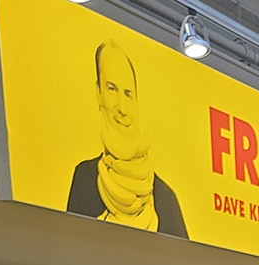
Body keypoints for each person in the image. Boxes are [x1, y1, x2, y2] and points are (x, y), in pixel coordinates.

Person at [67, 41, 189, 238]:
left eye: (128, 94)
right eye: (112, 89)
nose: (122, 108)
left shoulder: (165, 199)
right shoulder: (85, 178)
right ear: (98, 93)